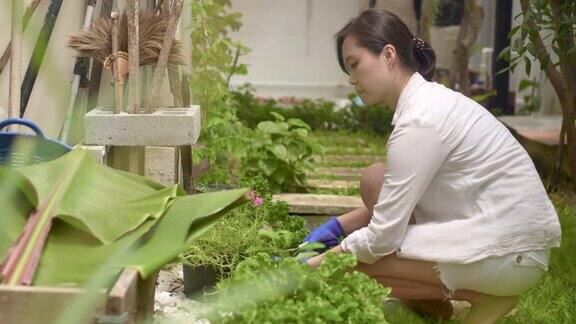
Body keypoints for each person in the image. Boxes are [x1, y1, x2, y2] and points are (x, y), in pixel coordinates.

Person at [304, 9, 561, 324]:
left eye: (355, 64)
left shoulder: (421, 120)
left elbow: (381, 237)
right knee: (376, 179)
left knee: (355, 260)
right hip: (503, 237)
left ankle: (487, 297)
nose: (351, 78)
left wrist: (310, 267)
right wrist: (337, 228)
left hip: (510, 253)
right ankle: (441, 303)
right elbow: (392, 200)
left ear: (388, 55)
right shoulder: (428, 103)